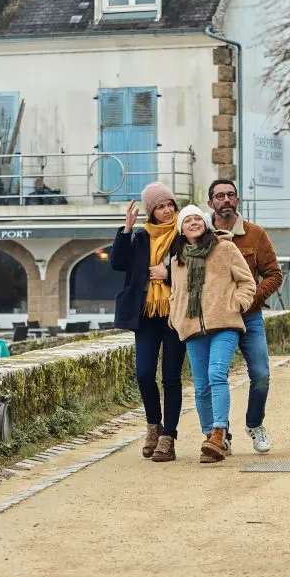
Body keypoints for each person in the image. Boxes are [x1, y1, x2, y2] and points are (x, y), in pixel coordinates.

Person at [169, 204, 257, 464]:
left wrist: (236, 304)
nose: (193, 223)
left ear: (206, 223)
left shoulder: (225, 248)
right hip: (192, 328)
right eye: (187, 221)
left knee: (216, 373)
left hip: (225, 324)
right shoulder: (177, 259)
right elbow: (175, 293)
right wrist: (176, 318)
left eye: (198, 219)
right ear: (181, 229)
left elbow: (247, 282)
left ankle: (219, 431)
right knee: (200, 387)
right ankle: (210, 438)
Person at [205, 178, 283, 453]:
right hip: (216, 320)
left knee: (261, 374)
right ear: (210, 203)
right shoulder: (201, 235)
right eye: (220, 196)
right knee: (214, 375)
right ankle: (219, 433)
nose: (226, 200)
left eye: (230, 195)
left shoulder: (255, 234)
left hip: (249, 317)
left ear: (237, 200)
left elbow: (274, 275)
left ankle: (254, 423)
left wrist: (249, 298)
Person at [111, 182, 186, 462]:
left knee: (170, 377)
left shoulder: (184, 231)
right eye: (160, 207)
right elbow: (118, 263)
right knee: (143, 373)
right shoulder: (142, 237)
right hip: (146, 314)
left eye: (169, 205)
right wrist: (127, 229)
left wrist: (166, 273)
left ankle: (169, 436)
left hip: (175, 314)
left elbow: (196, 268)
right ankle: (153, 426)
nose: (167, 211)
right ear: (151, 212)